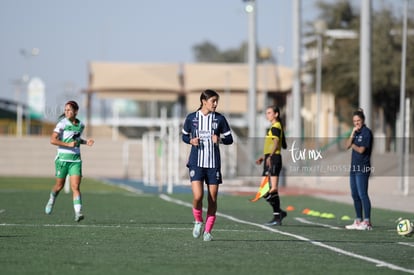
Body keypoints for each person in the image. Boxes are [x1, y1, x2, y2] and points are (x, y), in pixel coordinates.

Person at [182, 89, 233, 241]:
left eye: (217, 101)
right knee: (198, 196)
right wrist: (191, 141)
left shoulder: (220, 119)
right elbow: (184, 135)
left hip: (213, 164)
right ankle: (198, 221)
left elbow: (230, 139)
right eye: (213, 101)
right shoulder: (192, 118)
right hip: (196, 163)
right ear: (204, 102)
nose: (216, 104)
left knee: (212, 198)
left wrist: (220, 140)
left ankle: (208, 231)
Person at [44, 100, 94, 222]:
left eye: (69, 110)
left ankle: (78, 213)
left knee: (75, 186)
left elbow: (75, 139)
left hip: (76, 160)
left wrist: (85, 142)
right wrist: (67, 144)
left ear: (75, 111)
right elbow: (52, 140)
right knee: (59, 186)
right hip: (62, 160)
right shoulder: (62, 124)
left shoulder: (81, 125)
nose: (66, 112)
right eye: (65, 110)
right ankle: (51, 199)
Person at [255, 106, 287, 226]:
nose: (267, 115)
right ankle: (279, 213)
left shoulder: (276, 126)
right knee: (263, 191)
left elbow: (276, 143)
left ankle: (277, 216)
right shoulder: (274, 127)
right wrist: (264, 157)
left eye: (269, 113)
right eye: (266, 113)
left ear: (276, 114)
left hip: (274, 159)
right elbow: (275, 145)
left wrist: (270, 157)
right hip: (270, 158)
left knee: (273, 189)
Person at [345, 108, 373, 230]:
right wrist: (352, 134)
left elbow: (361, 150)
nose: (356, 123)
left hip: (363, 167)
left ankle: (367, 222)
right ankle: (358, 220)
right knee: (354, 194)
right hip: (354, 167)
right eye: (354, 121)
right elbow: (346, 146)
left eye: (358, 120)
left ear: (363, 120)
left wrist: (352, 144)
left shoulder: (367, 133)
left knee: (362, 194)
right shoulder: (355, 132)